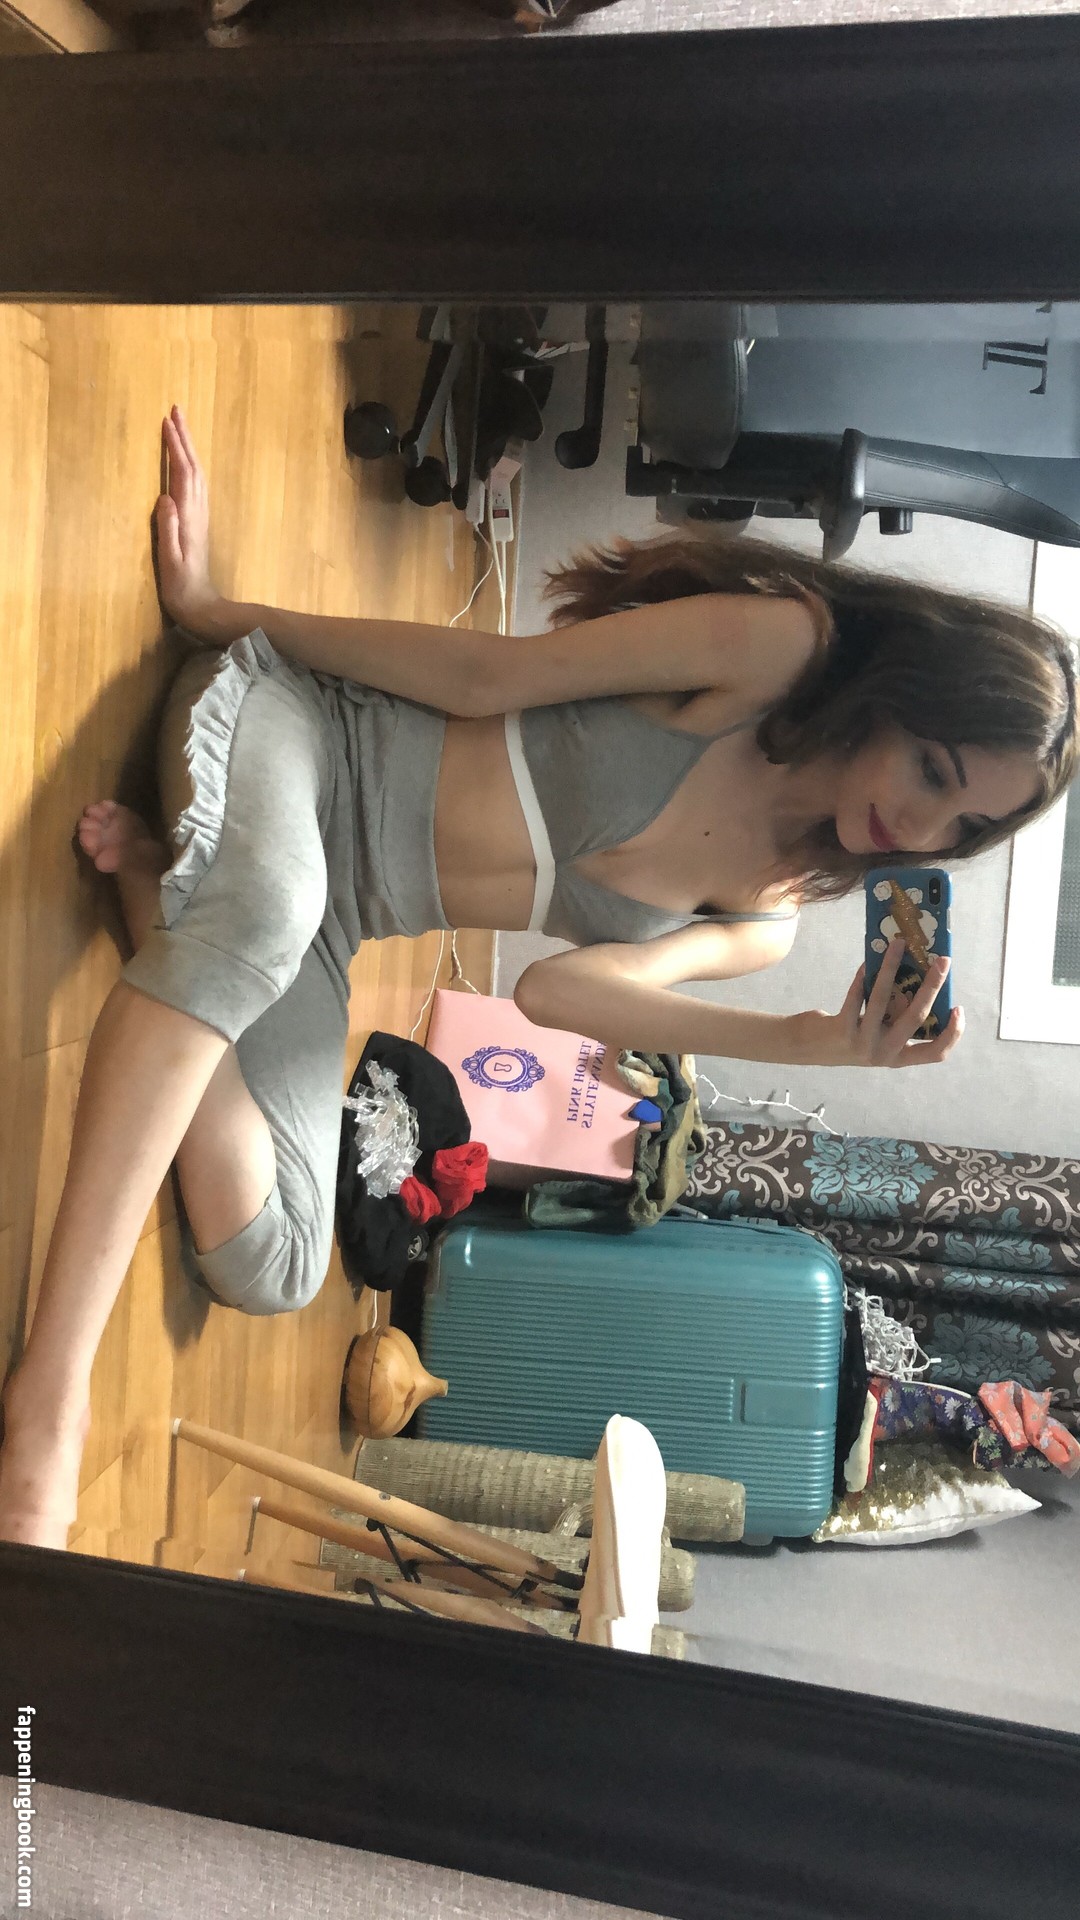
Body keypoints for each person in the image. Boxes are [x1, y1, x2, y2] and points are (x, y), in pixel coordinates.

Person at [1, 407, 1075, 1551]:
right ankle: (51, 1397)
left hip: (330, 924)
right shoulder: (779, 651)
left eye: (962, 825)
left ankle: (163, 895)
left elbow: (555, 998)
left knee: (277, 1262)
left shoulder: (770, 912)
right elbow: (484, 673)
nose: (920, 824)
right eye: (933, 769)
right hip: (297, 734)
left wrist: (811, 1041)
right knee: (266, 913)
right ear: (904, 686)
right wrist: (220, 612)